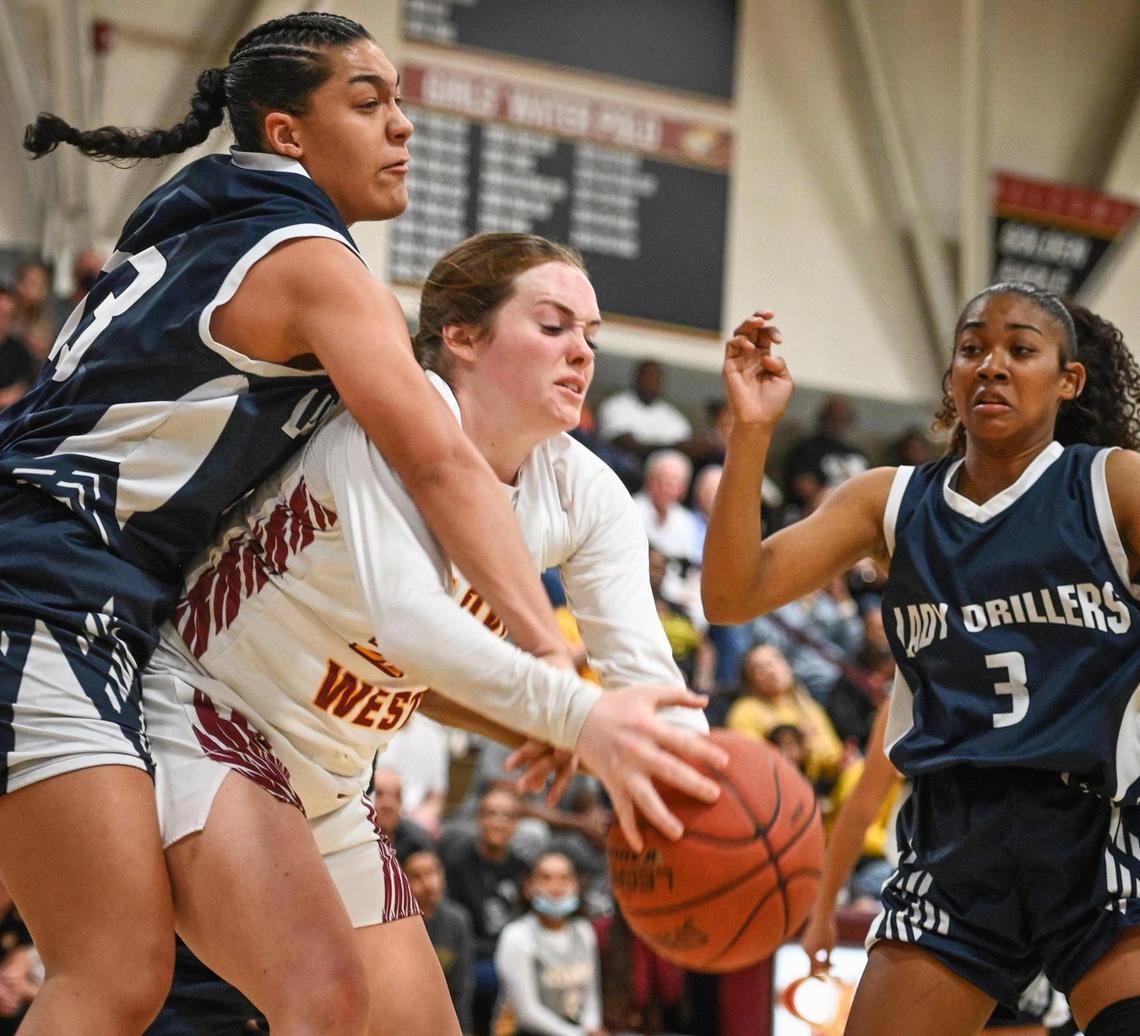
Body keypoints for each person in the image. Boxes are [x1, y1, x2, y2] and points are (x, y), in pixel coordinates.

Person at [0, 15, 604, 1032]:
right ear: (287, 134)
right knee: (112, 971)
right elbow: (439, 458)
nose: (403, 126)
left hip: (104, 604)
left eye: (401, 101)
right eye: (369, 104)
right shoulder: (313, 261)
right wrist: (556, 666)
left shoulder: (201, 222)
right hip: (48, 584)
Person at [141, 233, 726, 1034]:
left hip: (334, 785)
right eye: (554, 326)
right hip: (210, 722)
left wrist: (708, 802)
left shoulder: (587, 496)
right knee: (324, 1001)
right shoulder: (383, 428)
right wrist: (570, 715)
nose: (581, 354)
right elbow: (409, 624)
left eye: (591, 337)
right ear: (461, 334)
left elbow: (648, 683)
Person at [703, 290, 1140, 1036]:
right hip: (955, 838)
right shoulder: (892, 502)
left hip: (1095, 829)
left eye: (1020, 351)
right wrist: (750, 433)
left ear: (1069, 380)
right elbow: (732, 594)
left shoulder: (1111, 486)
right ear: (950, 377)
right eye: (972, 350)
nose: (991, 367)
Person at [494, 851, 607, 1036]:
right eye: (546, 878)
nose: (556, 886)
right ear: (529, 887)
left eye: (564, 878)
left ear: (576, 885)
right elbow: (527, 1013)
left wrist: (591, 1028)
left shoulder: (584, 931)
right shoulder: (516, 936)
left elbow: (591, 997)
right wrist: (578, 1035)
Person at [403, 847, 475, 1034]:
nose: (428, 883)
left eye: (432, 872)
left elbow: (462, 989)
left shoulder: (458, 920)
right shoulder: (396, 925)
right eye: (416, 877)